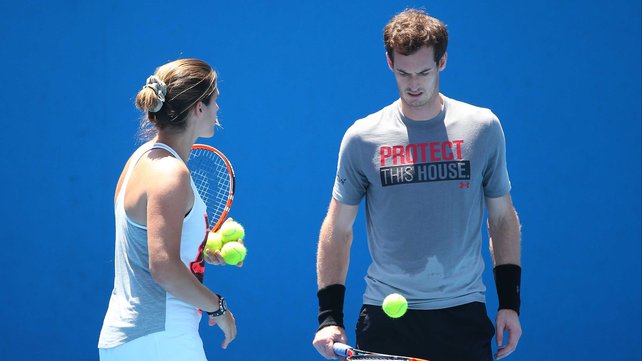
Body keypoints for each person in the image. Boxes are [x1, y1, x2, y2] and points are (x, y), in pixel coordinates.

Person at [312, 9, 522, 361]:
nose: (413, 84)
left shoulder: (482, 128)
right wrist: (328, 317)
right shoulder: (363, 137)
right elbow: (337, 228)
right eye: (403, 72)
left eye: (423, 72)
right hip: (386, 318)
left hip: (462, 314)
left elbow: (502, 218)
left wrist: (510, 304)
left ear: (443, 62)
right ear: (389, 63)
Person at [98, 58, 238, 361]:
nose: (218, 111)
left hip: (128, 342)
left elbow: (151, 250)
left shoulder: (140, 160)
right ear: (199, 108)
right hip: (161, 342)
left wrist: (197, 253)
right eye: (215, 102)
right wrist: (218, 306)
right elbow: (163, 268)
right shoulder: (171, 173)